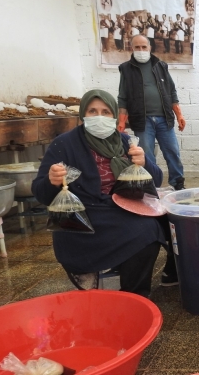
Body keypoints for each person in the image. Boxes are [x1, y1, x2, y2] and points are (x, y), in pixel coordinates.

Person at [31, 90, 167, 298]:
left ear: (114, 116)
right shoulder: (65, 144)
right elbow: (40, 193)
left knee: (169, 220)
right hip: (87, 214)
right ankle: (129, 293)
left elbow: (156, 180)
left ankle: (155, 284)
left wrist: (144, 163)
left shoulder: (125, 142)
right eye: (92, 111)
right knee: (145, 231)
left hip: (124, 205)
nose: (99, 117)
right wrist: (52, 181)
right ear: (83, 115)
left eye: (105, 112)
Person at [118, 34, 185, 286]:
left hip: (164, 118)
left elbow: (172, 91)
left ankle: (178, 184)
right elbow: (123, 97)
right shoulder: (126, 69)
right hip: (142, 120)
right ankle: (150, 190)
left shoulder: (160, 65)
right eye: (137, 47)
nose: (141, 50)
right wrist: (121, 122)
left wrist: (179, 114)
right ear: (131, 48)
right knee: (146, 157)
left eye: (144, 46)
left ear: (150, 47)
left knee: (173, 152)